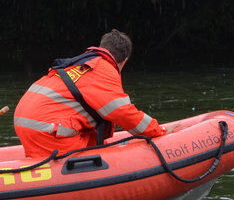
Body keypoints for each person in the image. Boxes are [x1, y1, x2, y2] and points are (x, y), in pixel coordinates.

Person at [13, 29, 165, 158]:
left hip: (26, 126)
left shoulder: (78, 63)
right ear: (124, 61)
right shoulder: (103, 69)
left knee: (91, 134)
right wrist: (157, 130)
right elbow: (123, 113)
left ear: (102, 47)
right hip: (47, 133)